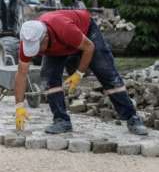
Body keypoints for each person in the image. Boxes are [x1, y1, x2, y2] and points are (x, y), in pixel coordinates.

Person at [14, 10, 148, 135]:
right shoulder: (27, 41)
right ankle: (62, 121)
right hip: (59, 46)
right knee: (49, 78)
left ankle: (132, 117)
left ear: (46, 37)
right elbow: (21, 73)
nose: (35, 51)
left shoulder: (64, 29)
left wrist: (79, 73)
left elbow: (89, 47)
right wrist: (19, 106)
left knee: (106, 72)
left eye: (37, 47)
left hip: (86, 33)